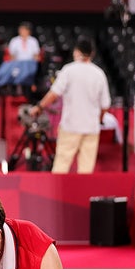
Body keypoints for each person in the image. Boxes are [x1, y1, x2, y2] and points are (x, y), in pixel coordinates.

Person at [29, 36, 111, 174]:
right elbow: (105, 105)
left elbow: (53, 94)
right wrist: (99, 120)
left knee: (61, 166)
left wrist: (39, 107)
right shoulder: (99, 74)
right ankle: (83, 195)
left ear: (76, 51)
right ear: (91, 53)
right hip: (91, 128)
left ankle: (57, 195)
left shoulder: (69, 70)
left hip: (70, 126)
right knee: (86, 170)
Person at [0, 22, 42, 95]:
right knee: (4, 70)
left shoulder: (33, 41)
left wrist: (35, 63)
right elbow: (11, 56)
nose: (22, 31)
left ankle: (26, 85)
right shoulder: (14, 40)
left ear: (28, 31)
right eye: (21, 30)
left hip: (29, 63)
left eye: (24, 30)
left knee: (27, 70)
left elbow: (36, 55)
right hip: (17, 63)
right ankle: (5, 85)